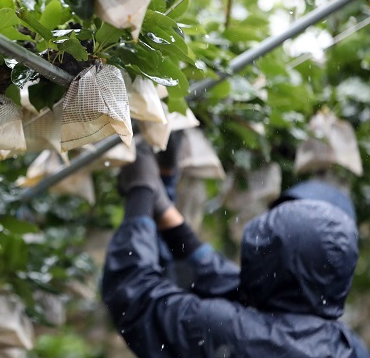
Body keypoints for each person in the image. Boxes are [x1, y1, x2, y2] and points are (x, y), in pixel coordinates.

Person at [102, 140, 370, 358]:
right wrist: (164, 201)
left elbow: (134, 296)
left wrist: (141, 192)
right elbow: (233, 284)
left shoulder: (232, 332)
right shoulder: (344, 345)